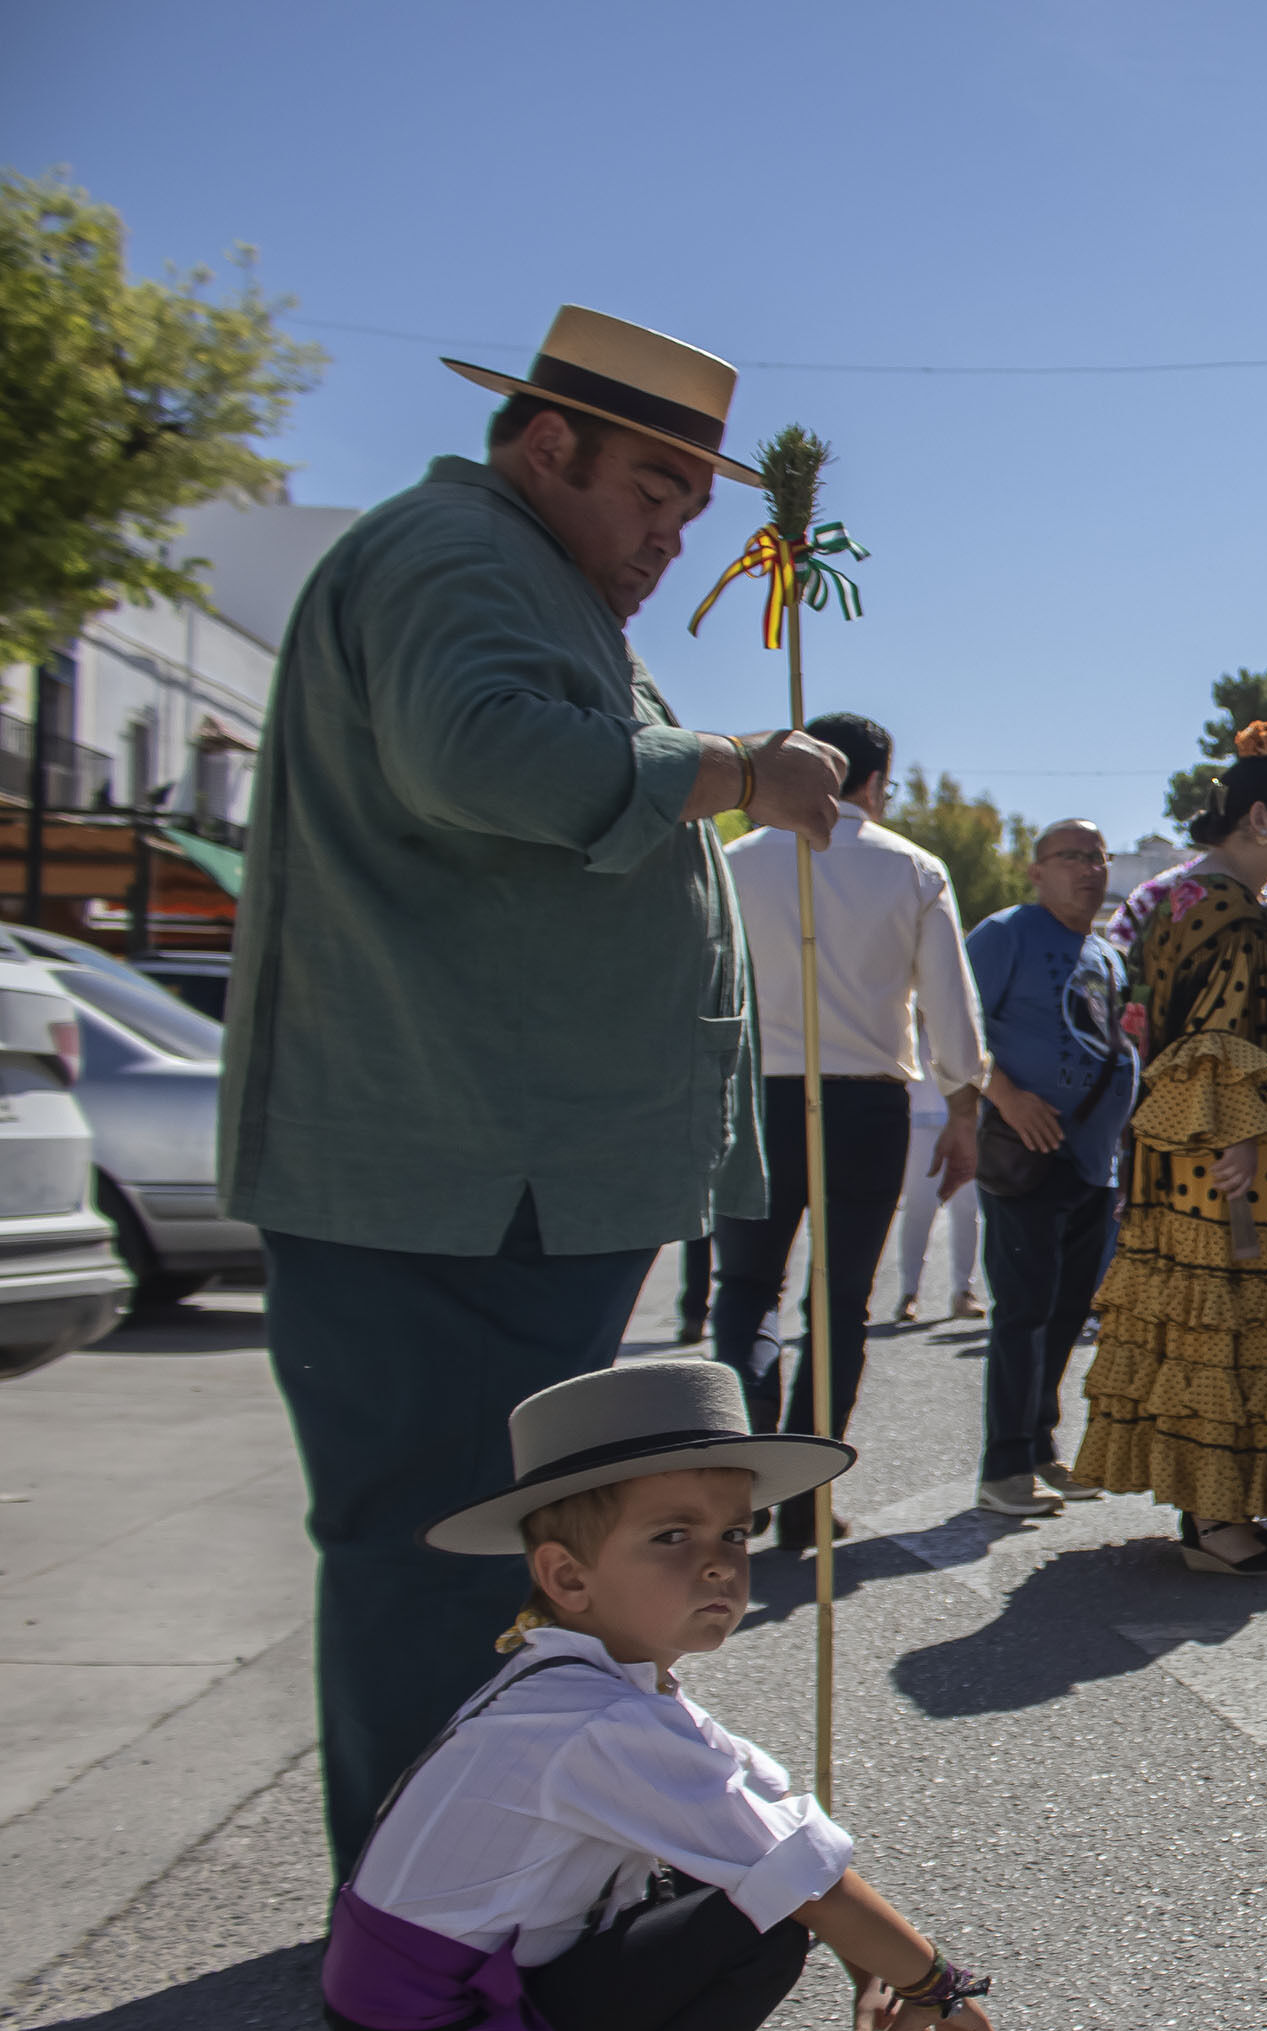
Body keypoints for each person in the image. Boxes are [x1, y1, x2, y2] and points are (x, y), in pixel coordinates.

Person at [219, 304, 849, 1873]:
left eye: (689, 511)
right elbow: (483, 753)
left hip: (494, 1175)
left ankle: (459, 1893)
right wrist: (730, 773)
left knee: (505, 1560)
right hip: (448, 1175)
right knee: (442, 1556)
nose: (663, 538)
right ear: (544, 440)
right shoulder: (459, 552)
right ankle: (423, 1935)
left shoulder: (527, 573)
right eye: (648, 490)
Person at [329, 1361, 1000, 2031]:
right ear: (566, 1575)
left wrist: (873, 1962)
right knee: (753, 1927)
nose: (719, 1562)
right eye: (671, 1536)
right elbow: (802, 1882)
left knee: (725, 1883)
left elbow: (776, 1826)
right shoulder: (600, 1725)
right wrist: (938, 1986)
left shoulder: (587, 1679)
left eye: (734, 1530)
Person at [1066, 727, 1267, 1566]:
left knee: (1232, 1340)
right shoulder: (1229, 916)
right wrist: (1234, 1135)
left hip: (1245, 1165)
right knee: (1228, 1337)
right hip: (1242, 1175)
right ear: (1255, 819)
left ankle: (1220, 1510)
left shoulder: (1218, 906)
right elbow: (1207, 1038)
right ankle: (1217, 1527)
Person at [713, 710, 984, 1553]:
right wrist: (964, 1101)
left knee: (748, 1289)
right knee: (840, 1304)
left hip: (757, 1095)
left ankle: (749, 1459)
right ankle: (804, 1489)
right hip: (865, 1102)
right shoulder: (912, 868)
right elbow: (948, 999)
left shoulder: (733, 862)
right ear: (872, 780)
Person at [966, 819, 1134, 1518]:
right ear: (1036, 871)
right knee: (1023, 1310)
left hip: (1095, 1162)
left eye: (1098, 857)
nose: (1089, 869)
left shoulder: (1107, 953)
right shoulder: (1004, 934)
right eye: (1072, 857)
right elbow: (953, 1027)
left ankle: (1038, 1447)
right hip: (1025, 1153)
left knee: (1067, 1312)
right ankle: (1002, 1468)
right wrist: (1006, 1097)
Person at [890, 1064, 983, 1325]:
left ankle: (963, 1291)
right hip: (919, 1115)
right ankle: (909, 1291)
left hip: (965, 1118)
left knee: (967, 1209)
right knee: (919, 1207)